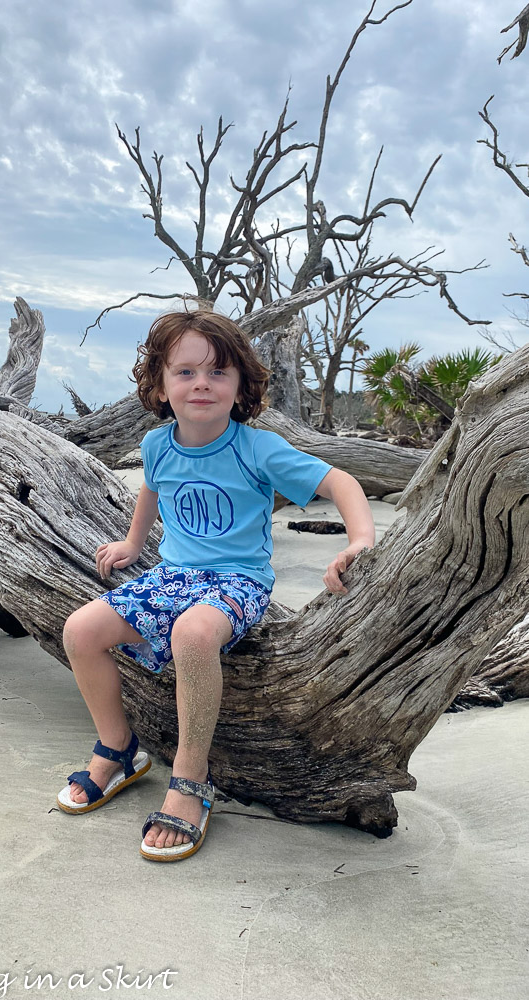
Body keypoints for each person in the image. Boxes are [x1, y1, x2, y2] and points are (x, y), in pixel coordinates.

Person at [57, 310, 375, 862]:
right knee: (81, 630)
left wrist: (361, 541)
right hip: (172, 574)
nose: (201, 383)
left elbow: (340, 480)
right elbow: (152, 491)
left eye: (217, 372)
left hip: (238, 580)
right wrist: (134, 545)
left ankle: (189, 776)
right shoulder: (157, 444)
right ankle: (119, 748)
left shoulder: (256, 448)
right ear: (159, 384)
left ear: (240, 386)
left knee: (194, 633)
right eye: (184, 372)